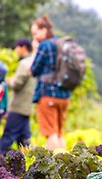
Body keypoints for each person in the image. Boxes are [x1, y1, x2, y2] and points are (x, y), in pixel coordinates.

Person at [30, 16, 70, 151]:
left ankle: (54, 167)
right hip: (64, 95)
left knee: (50, 133)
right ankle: (66, 166)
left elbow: (33, 70)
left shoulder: (44, 45)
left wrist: (35, 50)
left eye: (35, 33)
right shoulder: (62, 44)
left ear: (44, 30)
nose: (34, 37)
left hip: (47, 95)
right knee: (59, 133)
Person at [0, 39, 37, 152]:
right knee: (24, 141)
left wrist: (9, 81)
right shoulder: (34, 62)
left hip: (18, 107)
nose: (15, 51)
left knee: (7, 138)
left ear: (23, 47)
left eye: (17, 48)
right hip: (27, 107)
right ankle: (27, 164)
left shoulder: (24, 63)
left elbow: (17, 84)